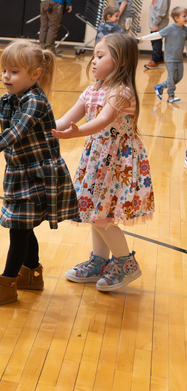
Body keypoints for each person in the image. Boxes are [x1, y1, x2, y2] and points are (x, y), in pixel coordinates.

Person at [0, 40, 78, 306]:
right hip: (19, 172)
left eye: (13, 72)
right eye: (4, 70)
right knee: (23, 226)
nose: (5, 77)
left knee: (18, 228)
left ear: (35, 75)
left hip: (39, 173)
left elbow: (14, 133)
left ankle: (8, 282)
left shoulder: (35, 101)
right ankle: (31, 274)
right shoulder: (8, 99)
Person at [53, 33, 153, 292]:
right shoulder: (92, 90)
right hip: (97, 160)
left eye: (100, 56)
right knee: (96, 213)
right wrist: (42, 129)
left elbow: (104, 120)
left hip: (117, 162)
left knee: (102, 217)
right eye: (93, 55)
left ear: (119, 62)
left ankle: (125, 264)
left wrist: (77, 131)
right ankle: (99, 261)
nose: (93, 61)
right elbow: (65, 119)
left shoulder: (121, 91)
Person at [138, 6, 186, 102]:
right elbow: (156, 35)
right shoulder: (170, 29)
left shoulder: (185, 30)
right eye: (184, 16)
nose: (186, 18)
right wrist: (141, 39)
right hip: (170, 58)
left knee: (179, 77)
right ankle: (171, 96)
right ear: (176, 18)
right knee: (172, 77)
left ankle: (160, 86)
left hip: (179, 58)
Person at [144, 0, 172, 70]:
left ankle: (154, 60)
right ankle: (160, 58)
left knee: (156, 41)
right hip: (155, 23)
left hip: (158, 24)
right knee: (155, 40)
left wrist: (156, 23)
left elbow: (161, 11)